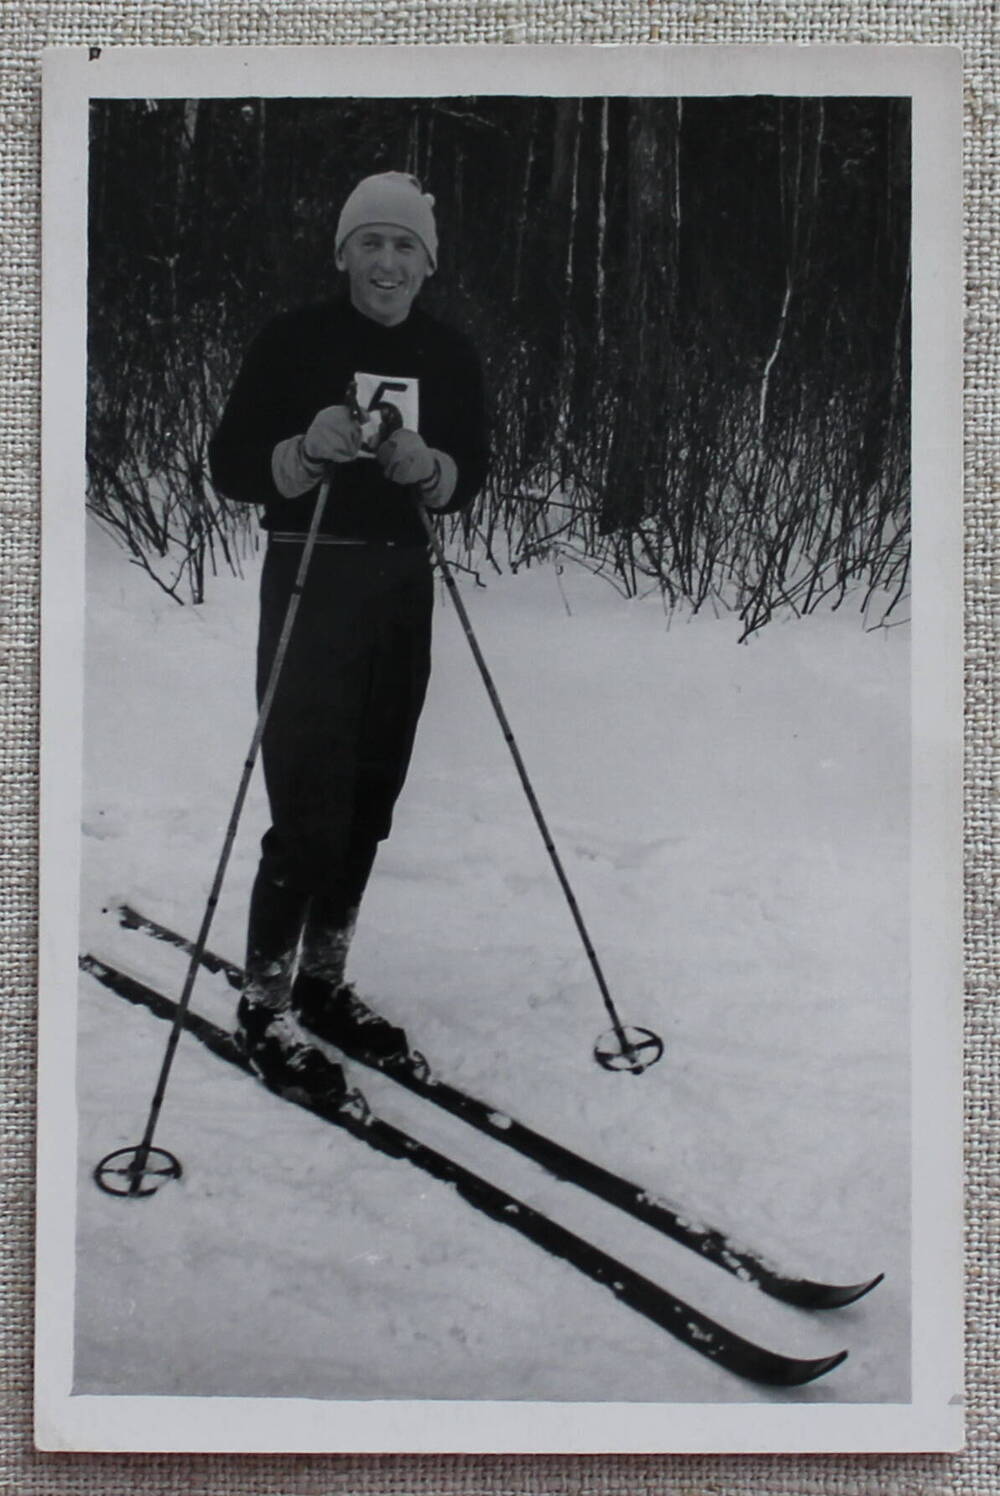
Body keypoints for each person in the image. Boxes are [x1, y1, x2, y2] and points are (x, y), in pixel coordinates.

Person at [209, 171, 490, 1096]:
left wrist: (433, 466)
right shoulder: (296, 341)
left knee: (371, 799)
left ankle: (323, 984)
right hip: (311, 580)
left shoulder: (447, 354)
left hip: (400, 585)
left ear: (428, 264)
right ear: (343, 254)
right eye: (370, 243)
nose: (387, 262)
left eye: (405, 246)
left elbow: (474, 469)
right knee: (309, 804)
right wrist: (301, 450)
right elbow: (231, 463)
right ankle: (265, 1002)